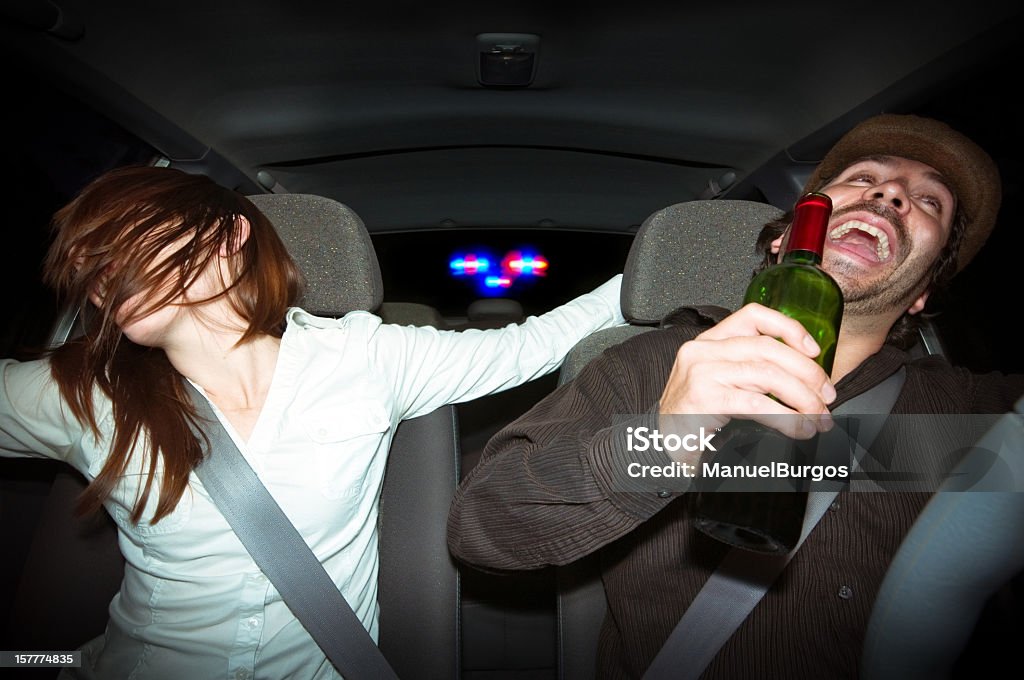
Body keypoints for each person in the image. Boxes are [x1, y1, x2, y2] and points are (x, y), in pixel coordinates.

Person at [447, 114, 1024, 679]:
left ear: (922, 293)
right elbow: (483, 529)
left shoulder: (974, 413)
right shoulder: (653, 363)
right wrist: (663, 440)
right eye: (861, 177)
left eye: (930, 202)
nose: (891, 191)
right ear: (781, 242)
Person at [0, 165, 626, 679]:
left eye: (123, 243)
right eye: (93, 266)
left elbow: (535, 342)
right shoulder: (79, 389)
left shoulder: (366, 357)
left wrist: (663, 281)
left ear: (226, 239)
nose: (104, 280)